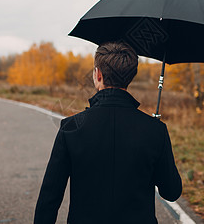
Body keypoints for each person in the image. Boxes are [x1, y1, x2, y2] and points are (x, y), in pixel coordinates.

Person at [33, 41, 182, 224]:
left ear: (98, 74)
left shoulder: (70, 127)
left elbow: (49, 198)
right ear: (131, 77)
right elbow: (171, 191)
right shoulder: (155, 130)